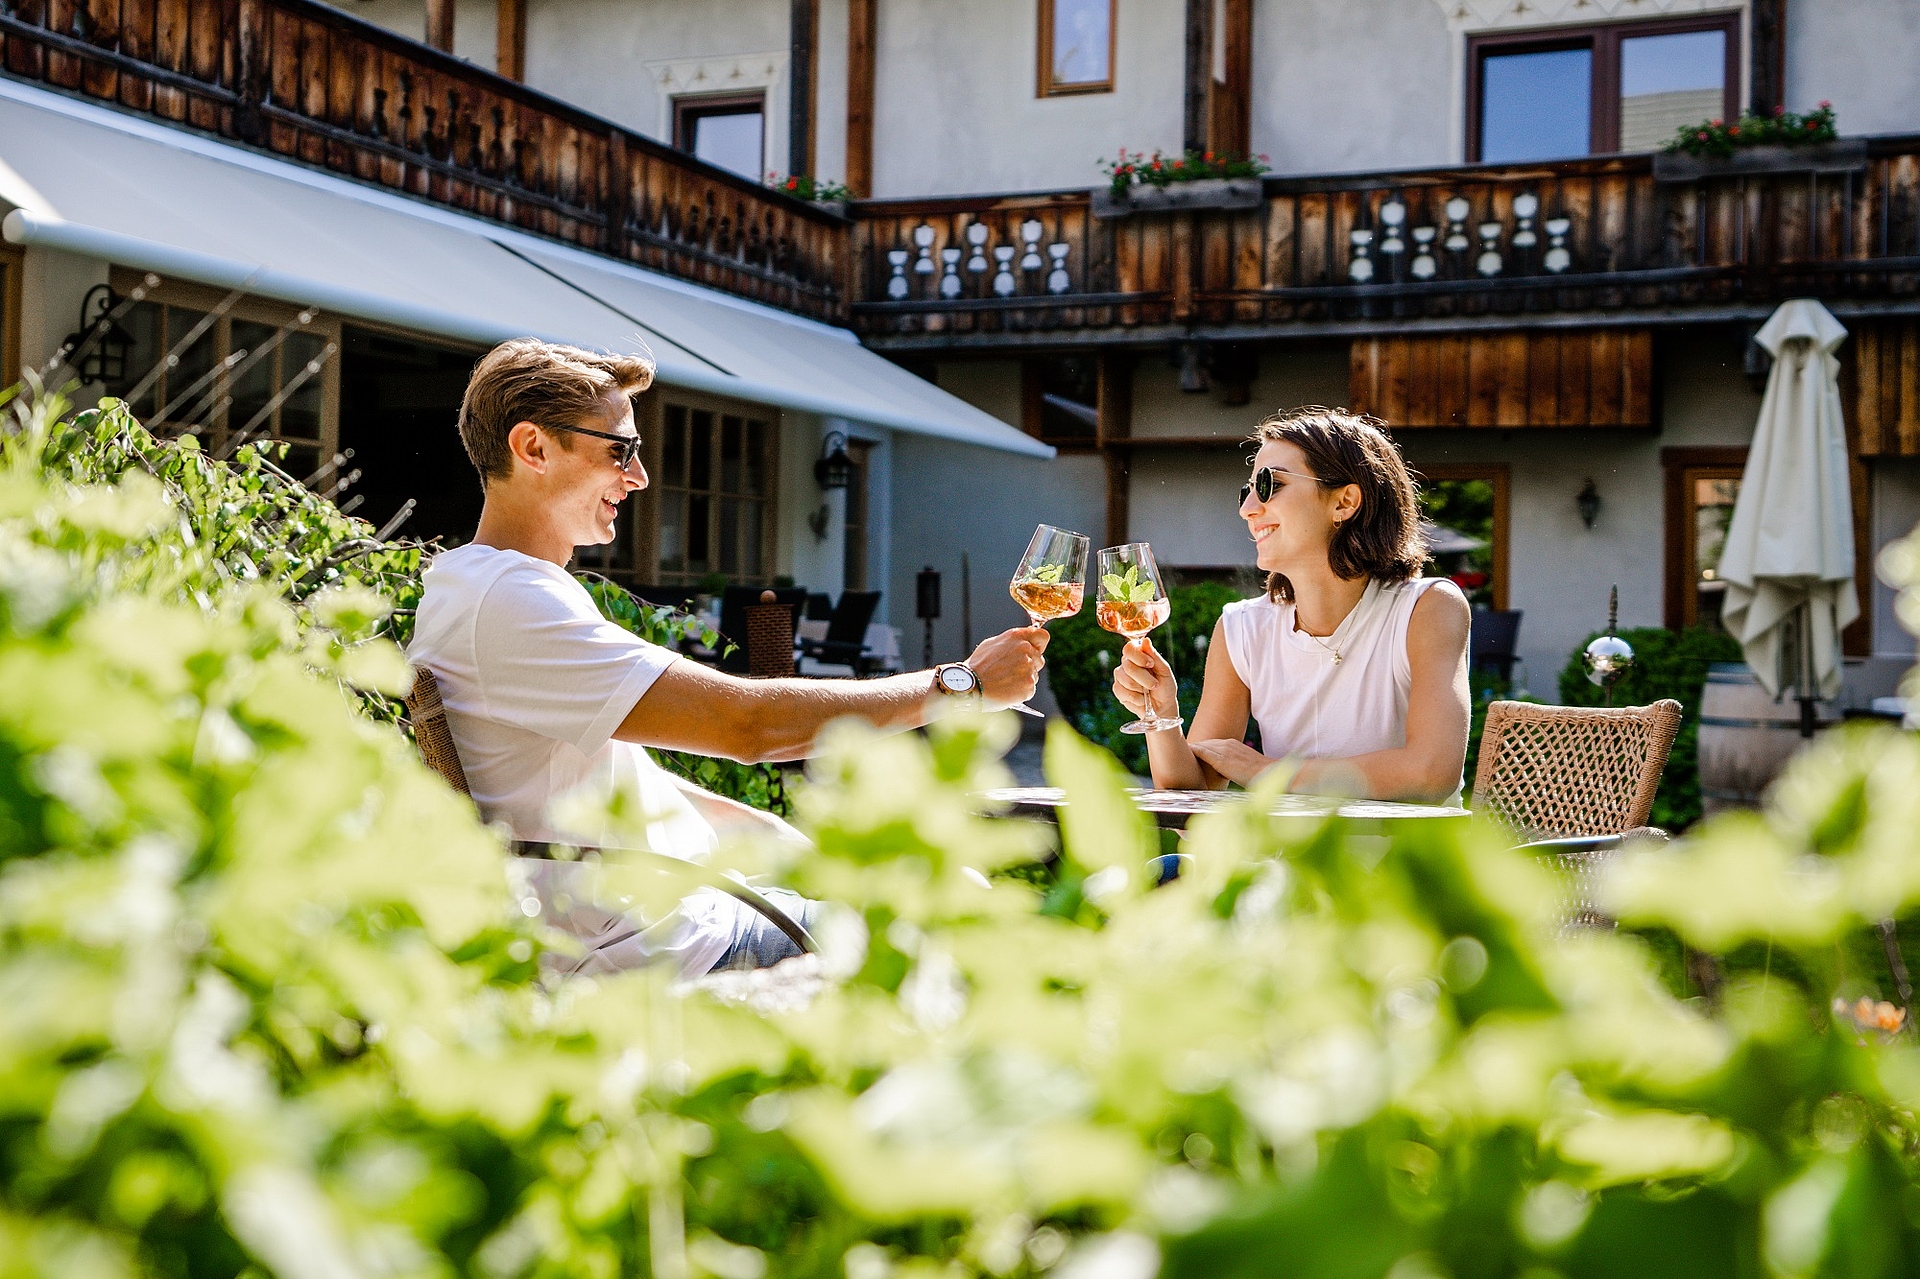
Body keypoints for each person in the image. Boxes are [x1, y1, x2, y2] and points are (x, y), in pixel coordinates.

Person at [408, 339, 1048, 976]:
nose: (639, 477)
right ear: (534, 448)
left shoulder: (482, 587)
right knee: (977, 937)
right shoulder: (511, 600)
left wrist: (790, 840)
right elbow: (747, 724)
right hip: (667, 949)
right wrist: (960, 686)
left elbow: (611, 775)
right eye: (620, 449)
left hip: (690, 915)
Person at [1112, 407, 1469, 804]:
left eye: (1268, 484)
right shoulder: (1243, 629)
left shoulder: (1428, 608)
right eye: (1245, 490)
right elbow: (1193, 801)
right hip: (1283, 866)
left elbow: (1431, 772)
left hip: (1404, 864)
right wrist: (1161, 716)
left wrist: (1268, 773)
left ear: (1344, 502)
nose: (1248, 508)